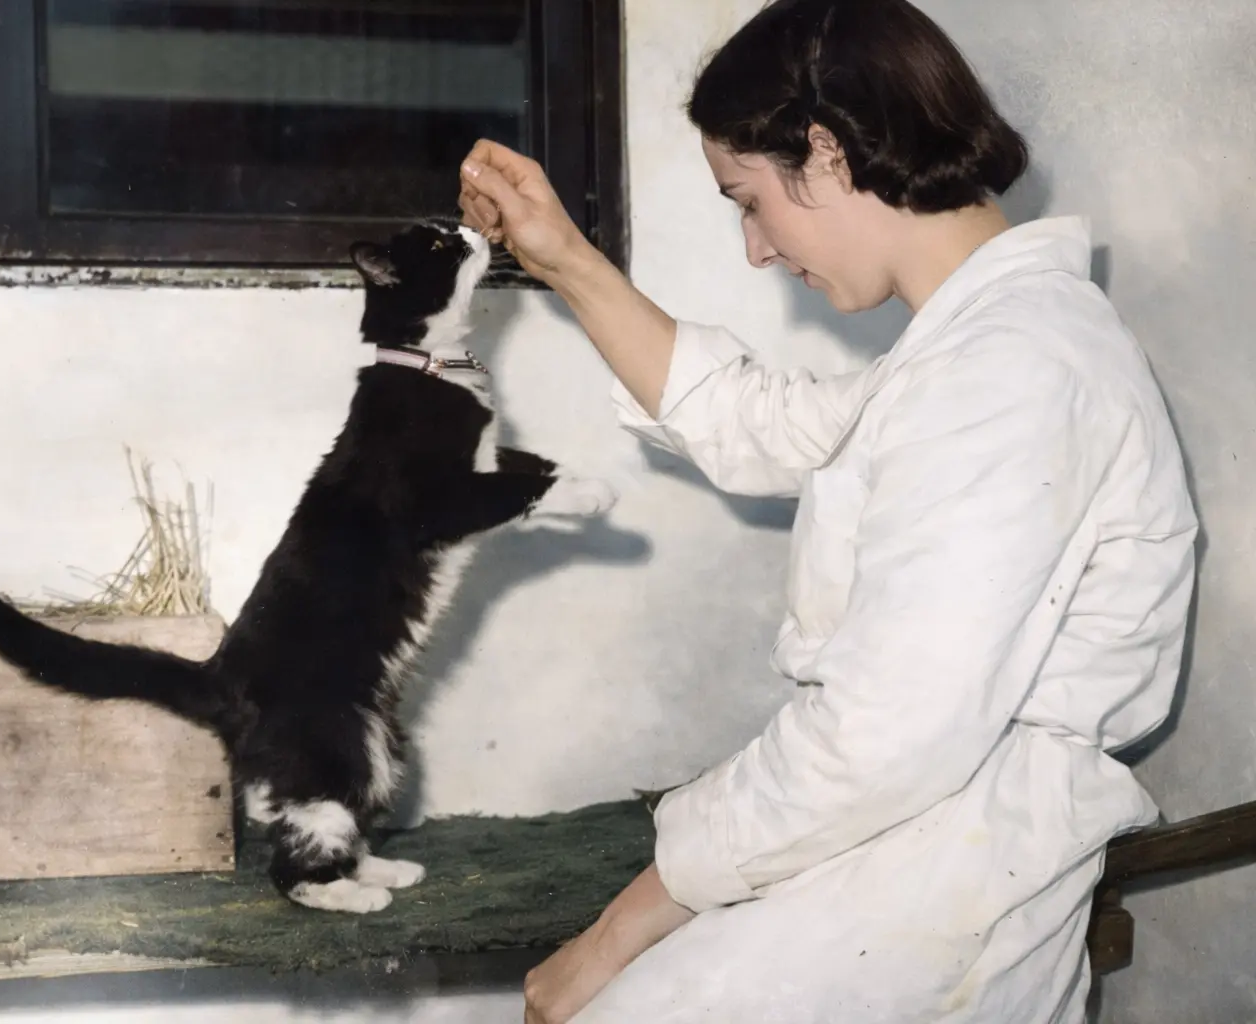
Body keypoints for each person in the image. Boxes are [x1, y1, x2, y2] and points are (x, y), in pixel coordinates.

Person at [457, 1, 1197, 1021]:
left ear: (829, 152)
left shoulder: (1011, 370)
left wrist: (614, 932)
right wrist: (567, 262)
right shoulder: (971, 352)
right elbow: (763, 423)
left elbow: (881, 737)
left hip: (949, 875)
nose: (756, 249)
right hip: (912, 844)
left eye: (750, 201)